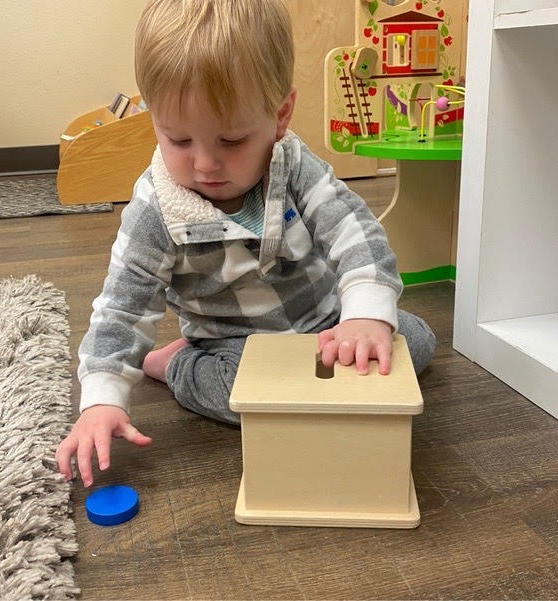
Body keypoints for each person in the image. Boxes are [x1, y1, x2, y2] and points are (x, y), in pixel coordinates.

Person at [56, 0, 436, 488]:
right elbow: (121, 309)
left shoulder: (295, 164)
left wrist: (364, 316)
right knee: (258, 404)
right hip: (234, 347)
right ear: (154, 120)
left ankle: (348, 345)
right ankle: (177, 365)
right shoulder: (156, 208)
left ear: (280, 116)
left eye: (232, 141)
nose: (206, 165)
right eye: (179, 140)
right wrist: (102, 400)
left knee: (415, 340)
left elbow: (356, 233)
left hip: (324, 323)